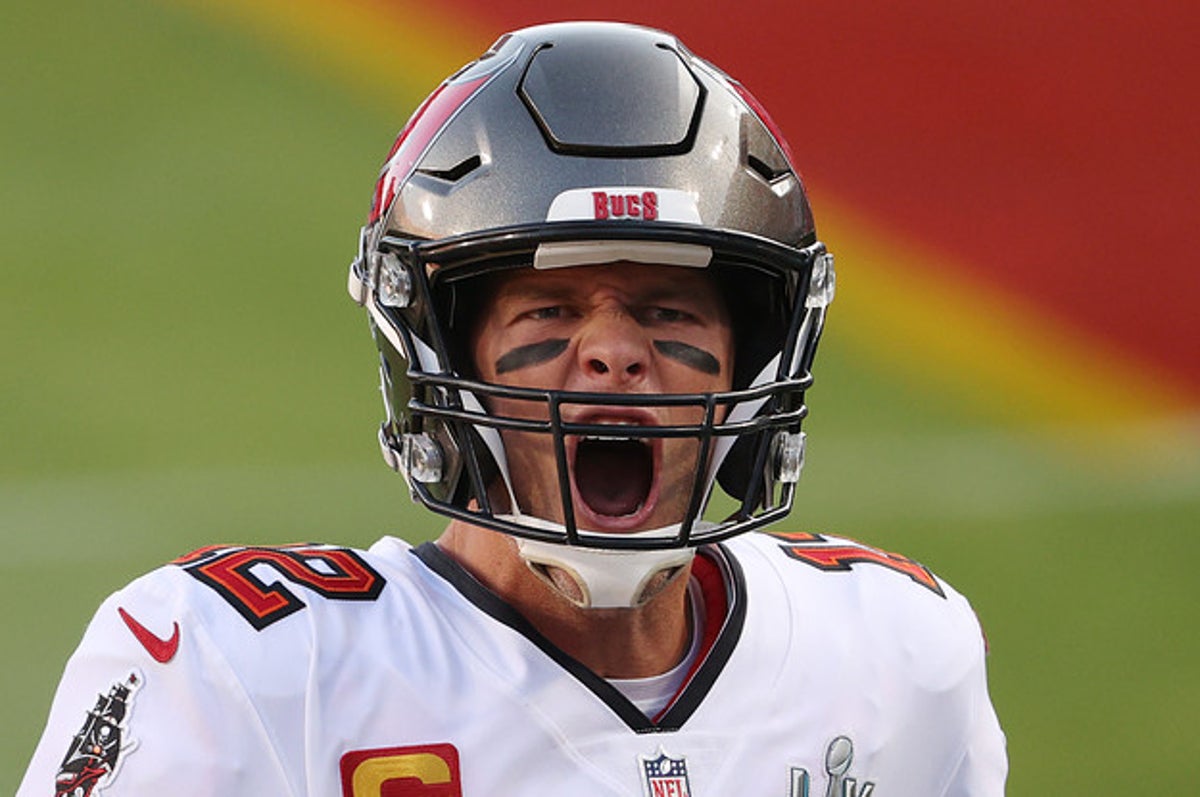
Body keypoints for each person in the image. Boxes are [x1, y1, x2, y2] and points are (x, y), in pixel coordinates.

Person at [19, 21, 1007, 796]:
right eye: (551, 308)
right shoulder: (244, 667)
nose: (617, 352)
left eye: (669, 310)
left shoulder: (896, 657)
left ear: (752, 359)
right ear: (444, 353)